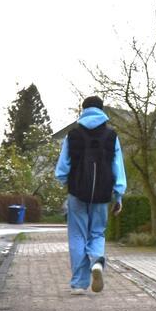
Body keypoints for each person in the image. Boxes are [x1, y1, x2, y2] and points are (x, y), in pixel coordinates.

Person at [54, 97, 126, 295]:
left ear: (83, 110)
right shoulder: (112, 136)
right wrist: (118, 194)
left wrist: (65, 183)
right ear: (102, 111)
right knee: (97, 233)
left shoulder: (73, 135)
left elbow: (62, 169)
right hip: (103, 194)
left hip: (77, 193)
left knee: (77, 236)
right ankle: (96, 261)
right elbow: (118, 167)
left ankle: (78, 283)